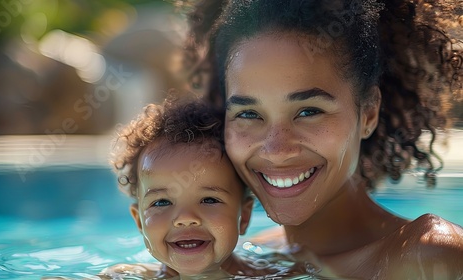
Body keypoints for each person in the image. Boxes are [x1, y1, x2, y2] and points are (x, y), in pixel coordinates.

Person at [180, 0, 463, 279]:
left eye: (308, 111)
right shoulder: (254, 255)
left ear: (368, 113)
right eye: (249, 113)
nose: (277, 150)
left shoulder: (429, 254)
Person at [103, 97, 313, 279]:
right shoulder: (126, 276)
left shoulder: (278, 274)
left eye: (209, 200)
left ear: (245, 216)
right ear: (139, 220)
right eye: (161, 202)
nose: (185, 218)